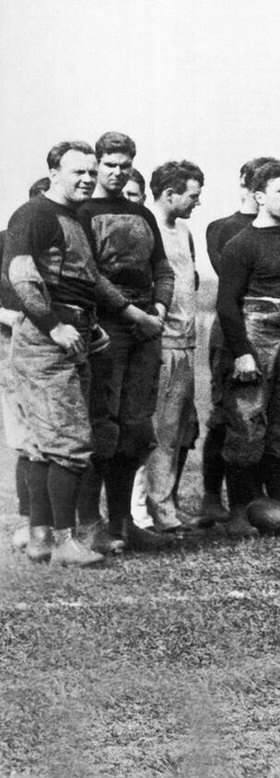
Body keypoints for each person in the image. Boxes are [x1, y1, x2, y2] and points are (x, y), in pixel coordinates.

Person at [3, 142, 131, 565]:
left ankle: (40, 538)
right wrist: (54, 326)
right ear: (54, 172)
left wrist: (93, 325)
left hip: (74, 333)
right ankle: (64, 543)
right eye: (78, 171)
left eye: (91, 172)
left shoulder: (74, 217)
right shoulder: (34, 214)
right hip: (47, 340)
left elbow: (83, 280)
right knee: (70, 442)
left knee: (46, 444)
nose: (88, 179)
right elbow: (22, 276)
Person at [76, 131, 174, 551]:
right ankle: (89, 526)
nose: (117, 172)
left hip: (146, 328)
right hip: (107, 327)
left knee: (135, 428)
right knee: (102, 426)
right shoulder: (82, 212)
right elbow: (89, 275)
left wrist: (159, 312)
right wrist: (132, 313)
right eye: (110, 165)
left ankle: (123, 523)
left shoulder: (142, 214)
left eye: (125, 165)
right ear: (98, 163)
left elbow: (163, 268)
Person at [216, 160, 280, 531]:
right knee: (247, 420)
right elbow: (227, 304)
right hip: (256, 335)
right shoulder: (240, 244)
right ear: (260, 197)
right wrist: (242, 353)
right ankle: (239, 513)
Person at [200, 156, 280, 532]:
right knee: (227, 414)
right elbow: (236, 282)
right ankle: (213, 497)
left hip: (274, 333)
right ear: (248, 186)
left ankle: (256, 498)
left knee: (264, 415)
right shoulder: (224, 228)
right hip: (234, 331)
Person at [132, 161, 204, 532]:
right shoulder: (145, 228)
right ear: (170, 194)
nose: (197, 202)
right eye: (193, 195)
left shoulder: (185, 231)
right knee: (155, 432)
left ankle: (164, 505)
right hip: (159, 343)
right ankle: (145, 513)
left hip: (187, 344)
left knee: (176, 433)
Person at [3, 177, 49, 552]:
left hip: (59, 348)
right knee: (26, 438)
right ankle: (28, 519)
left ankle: (61, 521)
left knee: (58, 437)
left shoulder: (67, 245)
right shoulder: (5, 241)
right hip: (10, 345)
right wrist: (12, 317)